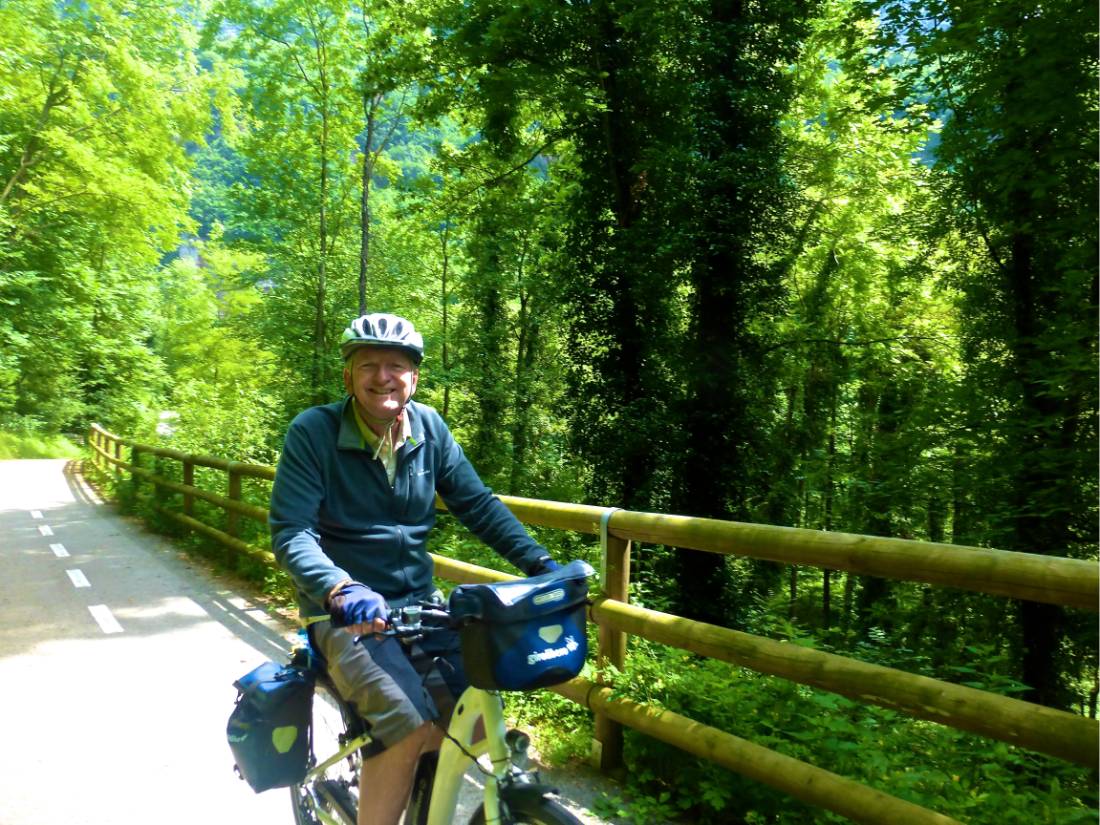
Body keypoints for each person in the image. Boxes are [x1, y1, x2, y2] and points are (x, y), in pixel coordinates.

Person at [269, 312, 559, 825]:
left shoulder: (429, 428)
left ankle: (424, 801)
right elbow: (292, 532)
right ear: (349, 377)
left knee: (474, 710)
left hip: (419, 607)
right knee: (406, 724)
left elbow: (478, 505)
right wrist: (339, 586)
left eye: (396, 366)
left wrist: (540, 563)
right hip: (344, 611)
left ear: (414, 377)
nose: (383, 376)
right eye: (369, 365)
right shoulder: (313, 432)